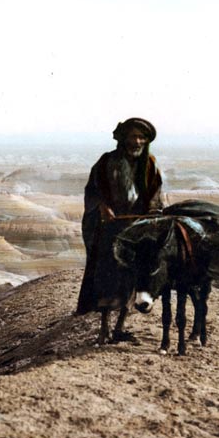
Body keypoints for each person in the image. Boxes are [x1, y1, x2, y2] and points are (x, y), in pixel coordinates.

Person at [76, 117, 164, 342]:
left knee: (132, 278)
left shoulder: (150, 164)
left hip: (137, 229)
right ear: (123, 138)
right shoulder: (106, 162)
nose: (137, 141)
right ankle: (104, 329)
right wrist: (103, 208)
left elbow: (155, 194)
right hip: (111, 229)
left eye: (141, 137)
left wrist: (153, 212)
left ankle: (120, 328)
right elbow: (93, 191)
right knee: (107, 277)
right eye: (133, 136)